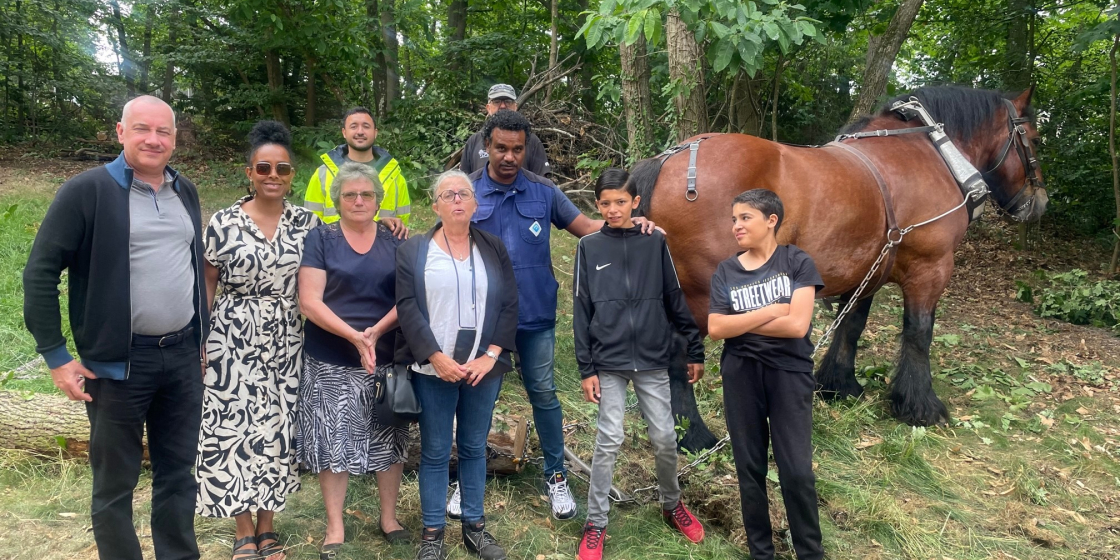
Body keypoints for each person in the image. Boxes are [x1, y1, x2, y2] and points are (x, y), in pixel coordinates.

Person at [23, 95, 207, 560]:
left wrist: (200, 340)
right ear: (121, 132)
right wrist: (56, 356)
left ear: (174, 139)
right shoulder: (87, 191)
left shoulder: (184, 191)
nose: (154, 139)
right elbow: (40, 272)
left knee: (178, 473)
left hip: (182, 357)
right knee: (114, 483)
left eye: (163, 131)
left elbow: (190, 267)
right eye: (142, 129)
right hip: (117, 364)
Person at [462, 109, 656, 520]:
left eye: (517, 149)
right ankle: (468, 480)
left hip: (534, 316)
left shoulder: (544, 192)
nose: (510, 157)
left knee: (544, 396)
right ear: (487, 147)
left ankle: (556, 476)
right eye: (501, 148)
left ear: (526, 149)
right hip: (483, 320)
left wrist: (628, 223)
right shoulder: (468, 191)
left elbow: (587, 226)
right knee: (480, 400)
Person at [195, 121, 320, 560]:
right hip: (231, 336)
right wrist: (200, 341)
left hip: (288, 337)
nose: (273, 175)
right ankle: (242, 529)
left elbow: (342, 255)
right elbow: (207, 285)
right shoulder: (223, 223)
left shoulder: (309, 223)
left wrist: (391, 227)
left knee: (276, 430)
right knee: (232, 429)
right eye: (263, 167)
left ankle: (268, 527)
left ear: (292, 175)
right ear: (249, 171)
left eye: (282, 169)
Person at [572, 168, 706, 560]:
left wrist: (694, 349)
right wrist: (586, 368)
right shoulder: (589, 246)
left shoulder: (654, 243)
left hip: (651, 358)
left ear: (635, 203)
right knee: (608, 439)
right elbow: (581, 309)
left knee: (665, 437)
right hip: (608, 360)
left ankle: (672, 503)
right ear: (597, 205)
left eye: (620, 202)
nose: (613, 210)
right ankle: (595, 523)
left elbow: (673, 296)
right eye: (605, 203)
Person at [395, 170, 519, 560]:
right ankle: (432, 535)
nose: (457, 200)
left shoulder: (493, 247)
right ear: (435, 205)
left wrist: (492, 354)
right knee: (434, 450)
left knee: (472, 446)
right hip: (435, 367)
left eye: (463, 193)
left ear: (475, 203)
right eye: (447, 195)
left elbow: (509, 303)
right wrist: (434, 356)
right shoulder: (414, 251)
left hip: (484, 367)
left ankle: (474, 529)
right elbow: (407, 307)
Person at [297, 162, 411, 559]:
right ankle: (335, 524)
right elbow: (309, 300)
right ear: (337, 200)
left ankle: (389, 517)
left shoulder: (396, 240)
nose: (359, 201)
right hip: (330, 355)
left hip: (386, 356)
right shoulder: (321, 238)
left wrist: (376, 333)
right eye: (350, 195)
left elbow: (407, 299)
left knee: (388, 438)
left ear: (378, 200)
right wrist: (354, 336)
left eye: (367, 194)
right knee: (332, 441)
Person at [707, 189, 825, 560]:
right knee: (750, 468)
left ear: (771, 220)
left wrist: (739, 323)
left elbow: (797, 326)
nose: (736, 226)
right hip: (740, 374)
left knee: (796, 471)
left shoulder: (796, 262)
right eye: (734, 219)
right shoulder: (727, 270)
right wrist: (771, 310)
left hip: (789, 374)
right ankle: (762, 552)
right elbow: (715, 328)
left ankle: (810, 552)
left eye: (745, 218)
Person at [303, 107, 411, 235]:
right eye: (353, 126)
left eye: (366, 126)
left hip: (381, 250)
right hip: (332, 250)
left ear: (375, 132)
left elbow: (401, 222)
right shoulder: (323, 174)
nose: (360, 131)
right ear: (344, 132)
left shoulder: (394, 175)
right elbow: (310, 221)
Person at [459, 83, 551, 177]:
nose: (503, 106)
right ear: (488, 108)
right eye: (497, 101)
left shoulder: (531, 141)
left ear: (515, 107)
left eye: (508, 101)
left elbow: (541, 183)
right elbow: (463, 182)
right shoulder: (474, 141)